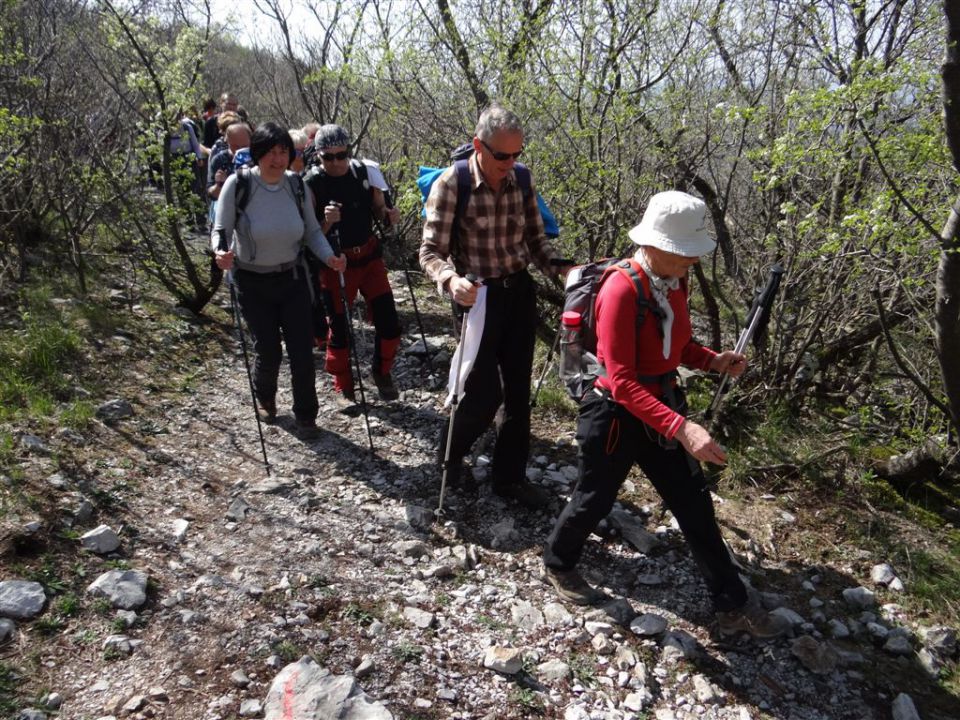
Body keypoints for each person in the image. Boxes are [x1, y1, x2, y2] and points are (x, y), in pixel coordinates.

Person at [541, 191, 790, 638]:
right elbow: (621, 380)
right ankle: (558, 563)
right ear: (655, 247)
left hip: (662, 409)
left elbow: (677, 347)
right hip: (614, 416)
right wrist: (684, 428)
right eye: (684, 255)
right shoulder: (620, 289)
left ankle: (732, 604)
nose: (691, 263)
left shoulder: (674, 280)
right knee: (594, 496)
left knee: (693, 505)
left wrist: (712, 360)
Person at [419, 105, 569, 509]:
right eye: (502, 155)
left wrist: (563, 271)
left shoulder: (522, 180)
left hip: (518, 292)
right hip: (476, 297)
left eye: (517, 154)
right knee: (482, 392)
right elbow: (430, 251)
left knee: (518, 393)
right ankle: (449, 459)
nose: (511, 162)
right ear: (478, 146)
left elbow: (537, 242)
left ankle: (510, 479)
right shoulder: (453, 184)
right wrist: (450, 280)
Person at [212, 122, 346, 436]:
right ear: (258, 153)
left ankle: (306, 415)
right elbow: (221, 229)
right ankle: (265, 397)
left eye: (284, 151)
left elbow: (313, 231)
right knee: (269, 348)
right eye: (271, 152)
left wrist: (330, 257)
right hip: (252, 280)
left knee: (301, 349)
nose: (278, 158)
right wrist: (220, 253)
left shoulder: (296, 185)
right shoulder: (239, 183)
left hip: (293, 277)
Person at [305, 124, 402, 402]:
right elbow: (309, 236)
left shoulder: (364, 172)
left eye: (341, 154)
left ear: (349, 151)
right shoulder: (311, 183)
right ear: (318, 155)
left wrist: (389, 216)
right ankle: (343, 384)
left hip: (369, 258)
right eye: (328, 157)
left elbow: (380, 210)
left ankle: (381, 372)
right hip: (336, 263)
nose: (336, 162)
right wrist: (327, 221)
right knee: (339, 327)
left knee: (389, 322)